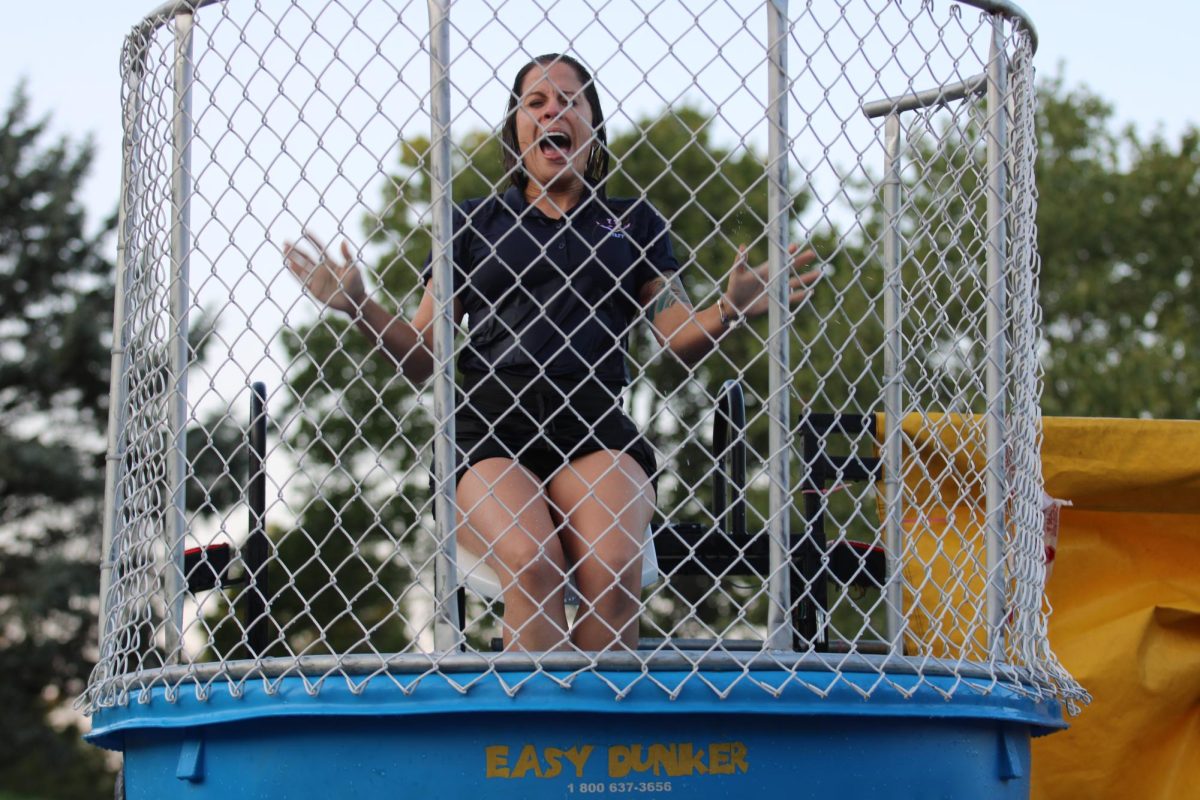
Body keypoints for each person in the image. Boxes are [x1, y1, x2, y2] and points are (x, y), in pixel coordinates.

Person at [284, 53, 820, 653]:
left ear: (592, 125)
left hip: (593, 421)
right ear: (517, 127)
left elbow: (675, 337)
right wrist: (361, 306)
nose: (552, 111)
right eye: (535, 103)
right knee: (534, 565)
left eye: (569, 100)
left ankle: (599, 743)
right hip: (491, 424)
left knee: (615, 572)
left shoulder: (633, 222)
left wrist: (728, 310)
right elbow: (424, 355)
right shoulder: (470, 224)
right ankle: (531, 744)